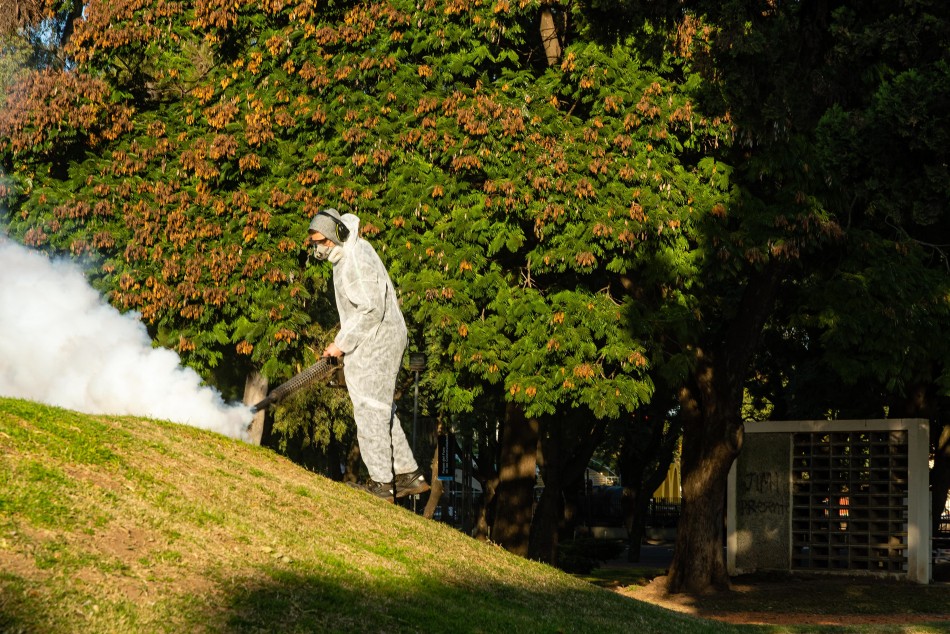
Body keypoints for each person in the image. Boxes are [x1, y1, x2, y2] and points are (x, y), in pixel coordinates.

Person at [305, 208, 429, 502]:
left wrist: (341, 344)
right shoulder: (351, 253)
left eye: (321, 241)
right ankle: (407, 474)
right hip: (376, 338)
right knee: (380, 408)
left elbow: (371, 308)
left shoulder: (354, 261)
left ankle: (381, 484)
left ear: (337, 234)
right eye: (314, 243)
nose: (318, 248)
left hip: (378, 340)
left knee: (369, 409)